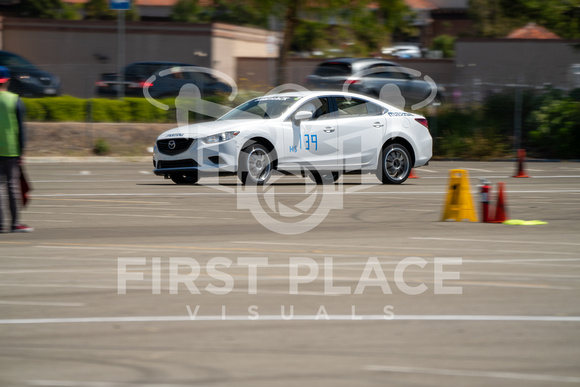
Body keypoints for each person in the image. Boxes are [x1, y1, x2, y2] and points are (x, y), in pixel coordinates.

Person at [0, 66, 33, 233]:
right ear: (8, 81)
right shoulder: (15, 100)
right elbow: (21, 128)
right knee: (12, 187)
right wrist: (22, 151)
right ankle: (15, 223)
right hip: (11, 150)